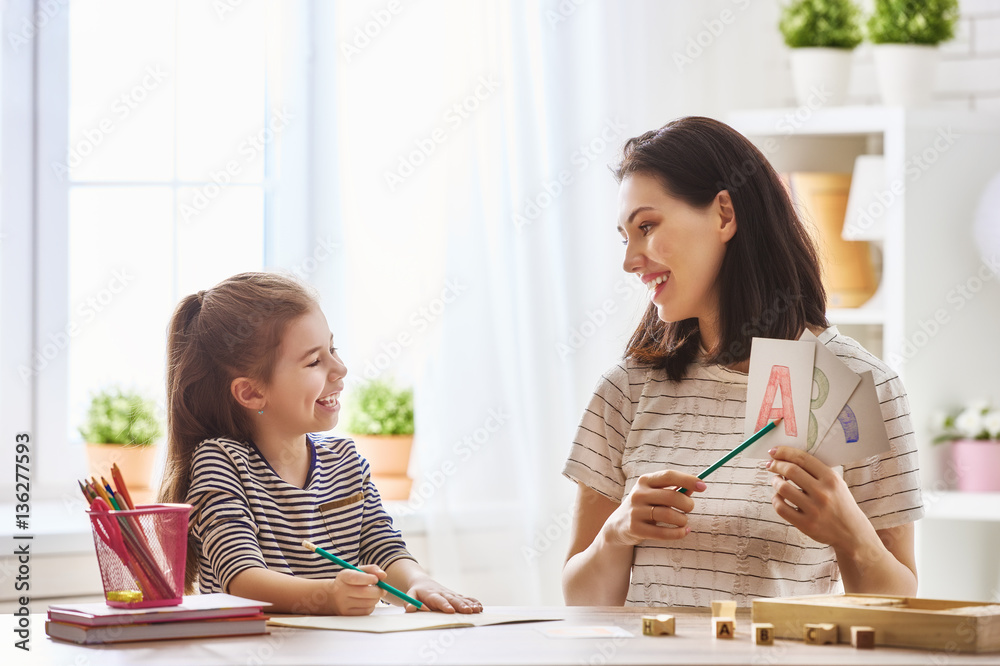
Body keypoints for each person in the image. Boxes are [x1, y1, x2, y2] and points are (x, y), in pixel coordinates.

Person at [561, 117, 924, 607]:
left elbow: (899, 606)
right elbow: (580, 603)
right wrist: (615, 535)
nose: (630, 260)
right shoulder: (626, 390)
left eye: (647, 226)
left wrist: (850, 534)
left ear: (724, 214)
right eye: (625, 236)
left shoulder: (860, 388)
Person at [158, 272, 482, 616]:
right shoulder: (220, 462)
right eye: (314, 361)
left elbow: (382, 547)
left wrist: (418, 582)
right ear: (251, 392)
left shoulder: (345, 460)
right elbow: (242, 579)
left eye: (333, 349)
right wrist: (329, 596)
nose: (340, 368)